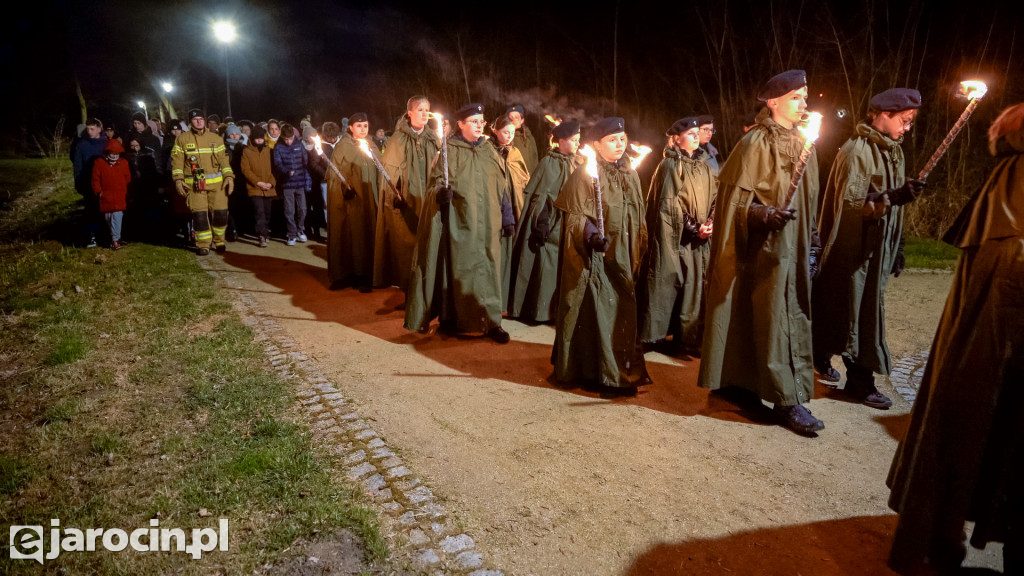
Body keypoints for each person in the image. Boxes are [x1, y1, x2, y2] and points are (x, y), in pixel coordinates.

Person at [886, 102, 1024, 576]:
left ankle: (941, 532)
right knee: (976, 424)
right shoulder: (1013, 203)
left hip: (988, 352)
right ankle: (940, 535)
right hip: (994, 359)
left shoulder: (1007, 185)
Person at [697, 70, 824, 436]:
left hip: (793, 250)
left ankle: (755, 387)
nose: (803, 103)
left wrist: (812, 241)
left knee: (785, 316)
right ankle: (786, 400)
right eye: (796, 97)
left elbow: (809, 202)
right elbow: (733, 205)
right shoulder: (754, 143)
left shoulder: (805, 143)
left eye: (804, 96)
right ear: (773, 102)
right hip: (762, 252)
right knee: (770, 319)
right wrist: (762, 214)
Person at [812, 88, 925, 409]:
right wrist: (892, 197)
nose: (908, 127)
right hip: (854, 251)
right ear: (883, 115)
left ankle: (819, 353)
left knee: (852, 309)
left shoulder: (893, 151)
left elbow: (892, 211)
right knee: (855, 312)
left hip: (876, 251)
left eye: (911, 121)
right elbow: (852, 205)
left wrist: (897, 246)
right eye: (904, 120)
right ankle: (860, 382)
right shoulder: (856, 152)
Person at [551, 117, 649, 394]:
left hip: (624, 255)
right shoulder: (585, 174)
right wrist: (592, 235)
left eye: (622, 139)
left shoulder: (630, 174)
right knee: (599, 311)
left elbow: (637, 215)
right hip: (597, 257)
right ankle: (598, 374)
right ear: (596, 144)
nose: (619, 144)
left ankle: (620, 371)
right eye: (612, 140)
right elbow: (576, 216)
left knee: (621, 312)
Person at [404, 103, 513, 344]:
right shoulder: (448, 150)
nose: (479, 125)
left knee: (489, 271)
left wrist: (507, 217)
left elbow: (502, 185)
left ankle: (492, 322)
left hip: (490, 224)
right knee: (460, 269)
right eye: (474, 121)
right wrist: (439, 195)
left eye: (481, 121)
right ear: (460, 124)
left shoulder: (489, 150)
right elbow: (435, 184)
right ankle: (453, 319)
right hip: (461, 223)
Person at [638, 117, 717, 353]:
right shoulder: (670, 166)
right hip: (678, 238)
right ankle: (657, 335)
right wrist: (694, 228)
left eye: (697, 132)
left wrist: (711, 222)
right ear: (676, 138)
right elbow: (669, 205)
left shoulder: (704, 165)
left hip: (700, 238)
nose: (696, 136)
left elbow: (716, 197)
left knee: (695, 286)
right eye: (690, 133)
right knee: (672, 280)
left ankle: (688, 338)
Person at [509, 120, 582, 322]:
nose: (577, 143)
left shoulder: (580, 163)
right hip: (551, 223)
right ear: (560, 141)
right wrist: (541, 222)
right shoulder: (548, 163)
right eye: (573, 140)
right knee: (546, 266)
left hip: (572, 223)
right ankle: (540, 312)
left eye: (579, 139)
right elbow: (541, 196)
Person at [374, 95, 440, 295]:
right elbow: (390, 171)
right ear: (409, 113)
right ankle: (409, 288)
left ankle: (429, 287)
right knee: (408, 245)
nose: (425, 114)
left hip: (429, 199)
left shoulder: (433, 138)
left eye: (427, 110)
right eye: (420, 109)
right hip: (407, 201)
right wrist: (395, 194)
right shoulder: (398, 139)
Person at [170, 108, 236, 255]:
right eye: (195, 119)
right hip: (194, 185)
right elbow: (177, 161)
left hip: (217, 185)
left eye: (201, 119)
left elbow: (224, 160)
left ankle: (219, 241)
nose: (199, 122)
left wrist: (229, 176)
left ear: (205, 121)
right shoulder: (182, 139)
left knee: (221, 214)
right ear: (190, 122)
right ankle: (203, 245)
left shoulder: (216, 138)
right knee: (199, 216)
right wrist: (178, 179)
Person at [327, 113, 380, 292]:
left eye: (365, 125)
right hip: (351, 201)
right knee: (349, 236)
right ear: (350, 127)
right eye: (359, 126)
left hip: (369, 200)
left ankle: (366, 275)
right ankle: (345, 275)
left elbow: (381, 170)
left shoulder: (372, 145)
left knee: (367, 236)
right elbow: (334, 173)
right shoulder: (343, 146)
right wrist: (343, 189)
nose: (363, 129)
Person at [490, 114, 531, 306]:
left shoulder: (515, 153)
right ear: (495, 131)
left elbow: (523, 179)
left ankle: (507, 297)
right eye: (505, 132)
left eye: (512, 132)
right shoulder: (488, 151)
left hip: (515, 208)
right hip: (495, 209)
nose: (509, 136)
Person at [71, 118, 108, 247]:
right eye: (88, 129)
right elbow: (77, 165)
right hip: (88, 183)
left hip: (104, 183)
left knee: (105, 209)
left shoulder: (106, 143)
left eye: (92, 129)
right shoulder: (82, 145)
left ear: (99, 129)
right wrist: (78, 181)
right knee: (91, 211)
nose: (89, 131)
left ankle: (106, 235)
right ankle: (92, 236)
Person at [272, 123, 311, 246]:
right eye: (285, 139)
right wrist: (287, 171)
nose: (288, 141)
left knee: (303, 209)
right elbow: (277, 164)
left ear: (294, 136)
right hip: (287, 184)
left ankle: (300, 230)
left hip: (300, 183)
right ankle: (291, 234)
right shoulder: (278, 147)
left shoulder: (299, 145)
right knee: (289, 210)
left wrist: (306, 179)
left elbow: (305, 162)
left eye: (290, 138)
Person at [240, 126, 276, 247]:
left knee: (267, 212)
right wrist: (258, 182)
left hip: (268, 187)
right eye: (257, 138)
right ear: (252, 138)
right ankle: (262, 235)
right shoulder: (247, 152)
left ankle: (265, 231)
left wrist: (271, 183)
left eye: (261, 137)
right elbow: (246, 170)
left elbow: (274, 169)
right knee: (259, 211)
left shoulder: (268, 151)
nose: (259, 140)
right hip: (255, 188)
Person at [91, 139, 131, 250]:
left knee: (117, 216)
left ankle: (115, 240)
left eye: (117, 154)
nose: (114, 156)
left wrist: (122, 188)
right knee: (109, 217)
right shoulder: (100, 163)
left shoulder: (123, 163)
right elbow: (95, 179)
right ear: (107, 153)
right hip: (106, 196)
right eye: (112, 153)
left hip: (119, 195)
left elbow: (127, 178)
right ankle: (116, 237)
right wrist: (98, 191)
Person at [223, 124, 249, 241]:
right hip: (228, 181)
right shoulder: (223, 148)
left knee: (241, 205)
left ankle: (241, 229)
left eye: (237, 134)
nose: (234, 136)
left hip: (241, 180)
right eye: (232, 134)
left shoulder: (244, 148)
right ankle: (231, 230)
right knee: (230, 206)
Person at [507, 104, 539, 173]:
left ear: (522, 120)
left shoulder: (529, 137)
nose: (513, 120)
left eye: (516, 117)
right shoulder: (506, 139)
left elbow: (535, 159)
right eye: (510, 118)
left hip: (530, 176)